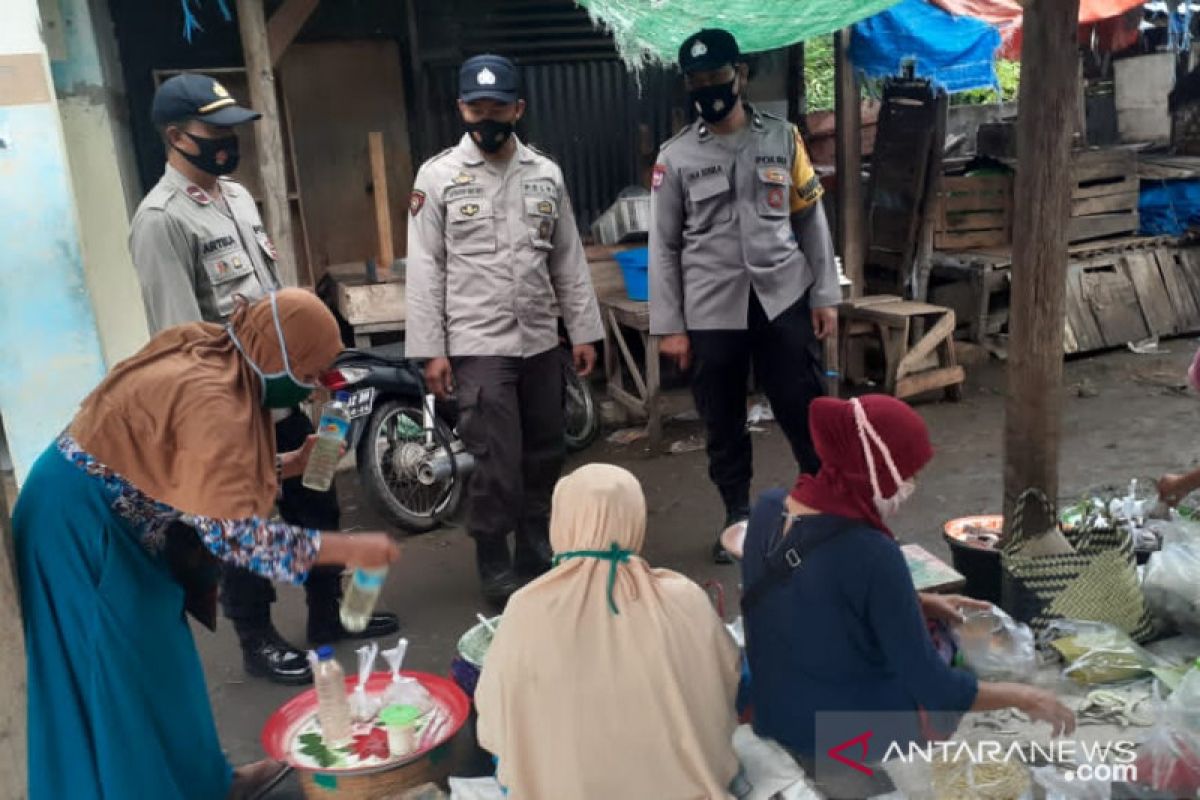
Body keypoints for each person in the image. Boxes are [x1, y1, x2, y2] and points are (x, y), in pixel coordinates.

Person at [12, 289, 402, 800]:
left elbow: (188, 467)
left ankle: (208, 784)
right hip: (79, 529)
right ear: (278, 355)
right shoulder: (213, 396)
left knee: (166, 664)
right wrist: (350, 550)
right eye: (307, 376)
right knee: (118, 682)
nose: (309, 391)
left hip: (127, 523)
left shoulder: (222, 352)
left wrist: (287, 465)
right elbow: (238, 539)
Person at [128, 73, 398, 685]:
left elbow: (272, 303)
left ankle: (331, 615)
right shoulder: (160, 221)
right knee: (245, 523)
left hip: (288, 393)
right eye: (214, 131)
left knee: (317, 497)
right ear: (176, 136)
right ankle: (257, 638)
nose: (227, 141)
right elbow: (179, 338)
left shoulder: (238, 197)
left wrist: (310, 369)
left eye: (231, 130)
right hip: (232, 409)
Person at [736, 395, 1074, 795]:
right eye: (907, 474)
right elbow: (935, 688)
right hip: (831, 734)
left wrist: (922, 603)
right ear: (876, 470)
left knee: (925, 638)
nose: (909, 487)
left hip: (770, 709)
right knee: (946, 673)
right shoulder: (872, 553)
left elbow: (809, 597)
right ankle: (857, 768)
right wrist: (1022, 696)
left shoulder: (768, 509)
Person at [406, 54, 605, 607]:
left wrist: (583, 331)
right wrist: (431, 351)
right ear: (460, 108)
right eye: (476, 106)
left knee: (546, 449)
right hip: (477, 344)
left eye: (497, 107)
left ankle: (535, 546)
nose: (486, 117)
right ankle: (493, 557)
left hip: (541, 340)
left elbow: (567, 259)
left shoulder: (545, 173)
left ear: (518, 108)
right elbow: (425, 269)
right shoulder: (438, 176)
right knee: (494, 459)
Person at [649, 29, 841, 565]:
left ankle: (816, 507)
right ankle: (737, 516)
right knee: (723, 418)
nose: (707, 89)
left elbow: (810, 218)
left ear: (742, 75)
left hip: (783, 298)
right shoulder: (676, 157)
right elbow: (663, 247)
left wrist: (825, 294)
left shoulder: (784, 138)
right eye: (696, 81)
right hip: (712, 309)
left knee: (802, 406)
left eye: (716, 77)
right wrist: (670, 326)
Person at [475, 463, 740, 798]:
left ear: (562, 520)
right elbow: (727, 679)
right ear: (634, 519)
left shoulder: (527, 607)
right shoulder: (682, 596)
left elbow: (494, 720)